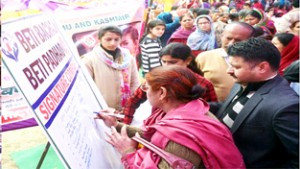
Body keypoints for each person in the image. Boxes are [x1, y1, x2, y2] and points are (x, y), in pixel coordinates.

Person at [96, 65, 246, 168]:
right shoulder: (187, 109)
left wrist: (128, 152)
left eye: (146, 88)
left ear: (162, 93)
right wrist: (116, 124)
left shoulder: (182, 138)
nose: (144, 92)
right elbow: (154, 135)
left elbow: (169, 144)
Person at [214, 37, 299, 168]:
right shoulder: (242, 82)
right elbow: (235, 108)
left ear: (262, 67)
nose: (228, 71)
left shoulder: (287, 106)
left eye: (236, 66)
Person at [122, 43, 218, 124]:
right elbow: (134, 100)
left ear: (188, 61)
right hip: (159, 125)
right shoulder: (155, 78)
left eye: (173, 62)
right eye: (164, 62)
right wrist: (126, 123)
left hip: (189, 128)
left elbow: (210, 111)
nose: (167, 66)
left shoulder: (203, 83)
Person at [82, 25, 140, 112]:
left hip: (126, 110)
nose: (113, 43)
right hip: (103, 112)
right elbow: (86, 89)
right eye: (108, 39)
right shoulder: (89, 60)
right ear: (99, 39)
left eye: (116, 39)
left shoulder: (128, 58)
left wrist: (131, 105)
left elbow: (135, 82)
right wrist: (100, 109)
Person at [195, 22, 255, 102]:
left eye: (238, 40)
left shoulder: (257, 61)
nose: (231, 43)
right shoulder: (204, 58)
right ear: (222, 36)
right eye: (228, 38)